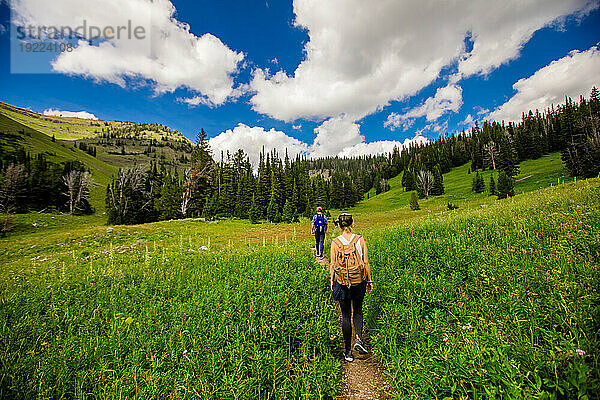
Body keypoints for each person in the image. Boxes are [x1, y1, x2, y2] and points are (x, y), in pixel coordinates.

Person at [329, 213, 373, 362]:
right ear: (352, 224)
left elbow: (333, 264)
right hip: (358, 281)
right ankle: (359, 339)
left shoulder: (335, 242)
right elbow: (366, 262)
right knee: (358, 311)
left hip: (342, 283)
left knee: (346, 315)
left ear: (340, 226)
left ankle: (347, 351)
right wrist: (369, 280)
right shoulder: (360, 240)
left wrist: (332, 280)